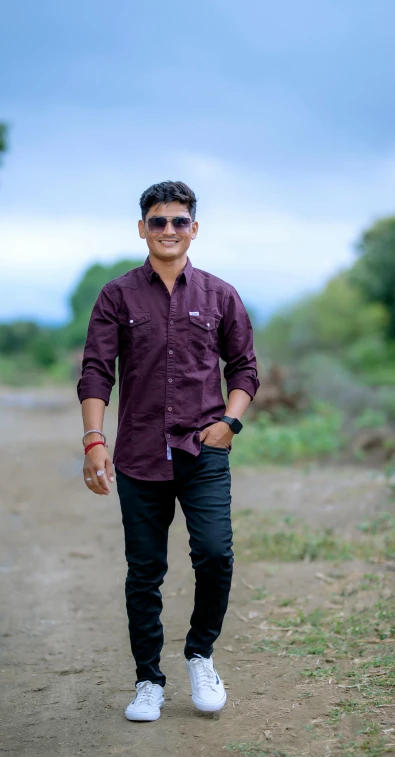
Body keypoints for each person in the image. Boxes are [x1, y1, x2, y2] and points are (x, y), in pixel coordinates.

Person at [77, 181, 259, 722]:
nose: (169, 231)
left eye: (179, 221)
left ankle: (200, 654)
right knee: (144, 571)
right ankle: (148, 681)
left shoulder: (221, 295)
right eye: (158, 222)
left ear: (194, 229)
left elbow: (244, 367)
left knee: (215, 555)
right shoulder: (117, 295)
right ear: (142, 229)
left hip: (204, 453)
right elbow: (95, 371)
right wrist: (93, 440)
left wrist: (230, 421)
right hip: (138, 455)